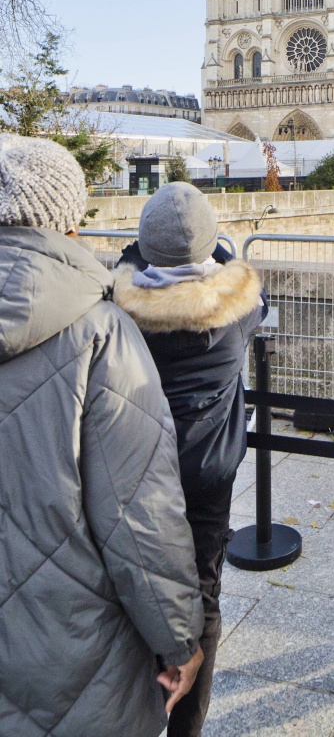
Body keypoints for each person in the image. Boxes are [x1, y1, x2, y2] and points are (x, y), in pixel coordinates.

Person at [0, 133, 205, 737]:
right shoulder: (100, 331)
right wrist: (178, 640)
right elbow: (138, 511)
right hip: (68, 652)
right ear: (69, 220)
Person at [113, 181, 267, 737]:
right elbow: (249, 289)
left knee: (139, 584)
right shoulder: (234, 313)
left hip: (139, 471)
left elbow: (127, 273)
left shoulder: (119, 316)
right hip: (207, 476)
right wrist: (223, 253)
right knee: (204, 592)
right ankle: (188, 726)